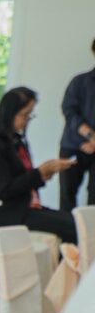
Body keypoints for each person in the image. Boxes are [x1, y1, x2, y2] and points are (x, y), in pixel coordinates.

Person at [0, 87, 77, 242]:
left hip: (23, 207)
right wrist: (39, 173)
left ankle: (69, 257)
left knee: (78, 221)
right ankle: (68, 257)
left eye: (30, 114)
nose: (28, 119)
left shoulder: (15, 141)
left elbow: (22, 178)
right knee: (74, 226)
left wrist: (43, 174)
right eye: (25, 114)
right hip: (6, 212)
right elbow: (6, 190)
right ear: (10, 114)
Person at [58, 37, 95, 210]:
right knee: (67, 194)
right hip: (73, 145)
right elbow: (69, 112)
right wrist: (89, 136)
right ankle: (67, 226)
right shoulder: (79, 82)